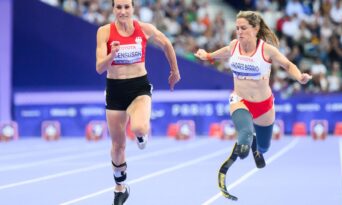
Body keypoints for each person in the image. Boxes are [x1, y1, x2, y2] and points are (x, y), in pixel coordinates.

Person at [195, 10, 312, 200]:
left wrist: (300, 77)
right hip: (240, 100)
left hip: (264, 105)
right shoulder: (234, 46)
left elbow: (288, 65)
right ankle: (247, 141)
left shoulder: (266, 50)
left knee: (264, 148)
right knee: (243, 143)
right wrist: (206, 55)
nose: (239, 32)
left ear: (255, 29)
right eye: (237, 28)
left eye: (243, 28)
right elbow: (220, 54)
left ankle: (257, 145)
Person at [95, 0, 180, 204]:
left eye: (127, 7)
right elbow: (99, 67)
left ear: (133, 9)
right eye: (119, 7)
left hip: (139, 88)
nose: (123, 11)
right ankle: (120, 188)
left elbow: (167, 44)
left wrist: (174, 71)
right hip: (115, 90)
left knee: (140, 128)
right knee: (118, 145)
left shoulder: (144, 29)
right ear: (113, 9)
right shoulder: (104, 32)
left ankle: (142, 135)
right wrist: (112, 55)